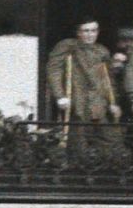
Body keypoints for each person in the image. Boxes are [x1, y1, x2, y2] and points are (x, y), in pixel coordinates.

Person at [46, 19, 120, 155]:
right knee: (78, 144)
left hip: (99, 102)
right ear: (78, 33)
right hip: (77, 100)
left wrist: (112, 102)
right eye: (86, 31)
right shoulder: (67, 46)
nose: (90, 34)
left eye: (93, 31)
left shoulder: (102, 51)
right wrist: (60, 95)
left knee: (108, 142)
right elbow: (54, 70)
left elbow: (109, 79)